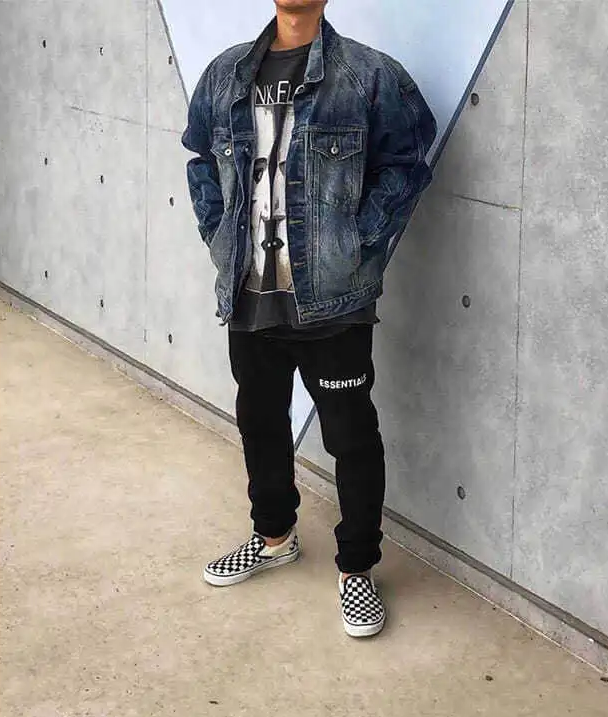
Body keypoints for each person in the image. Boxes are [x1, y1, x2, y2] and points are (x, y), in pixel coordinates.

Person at [181, 0, 436, 637]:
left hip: (335, 302)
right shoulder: (224, 75)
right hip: (249, 296)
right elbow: (201, 162)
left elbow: (407, 166)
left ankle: (358, 569)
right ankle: (274, 537)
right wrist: (219, 236)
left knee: (351, 437)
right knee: (261, 422)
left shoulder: (369, 77)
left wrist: (357, 243)